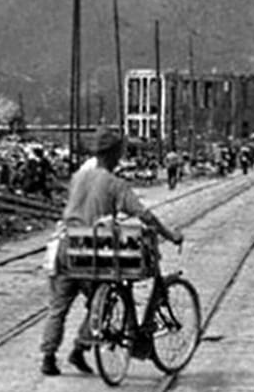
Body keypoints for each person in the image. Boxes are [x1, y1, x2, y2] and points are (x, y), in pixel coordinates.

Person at [42, 126, 186, 377]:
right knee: (102, 303)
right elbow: (145, 215)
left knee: (58, 307)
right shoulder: (115, 184)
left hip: (65, 246)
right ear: (114, 154)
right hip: (91, 252)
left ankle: (48, 357)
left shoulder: (78, 178)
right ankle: (80, 347)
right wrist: (169, 234)